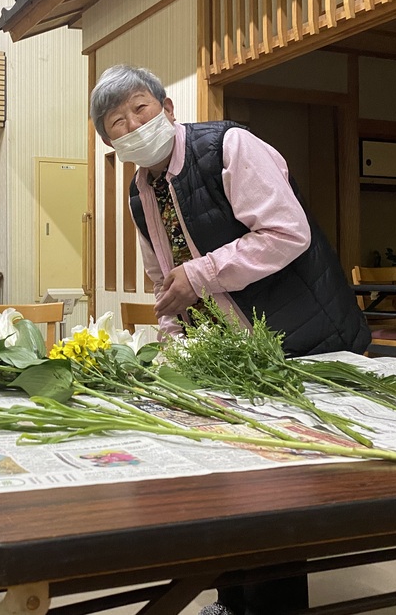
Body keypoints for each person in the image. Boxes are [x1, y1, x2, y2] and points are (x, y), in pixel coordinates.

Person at [89, 65, 369, 615]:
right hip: (231, 352)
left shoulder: (230, 147)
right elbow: (164, 275)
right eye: (117, 125)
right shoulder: (140, 189)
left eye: (140, 110)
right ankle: (233, 601)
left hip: (300, 338)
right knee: (229, 480)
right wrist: (174, 338)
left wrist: (201, 274)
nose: (133, 126)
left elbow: (288, 233)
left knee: (279, 490)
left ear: (168, 109)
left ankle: (274, 608)